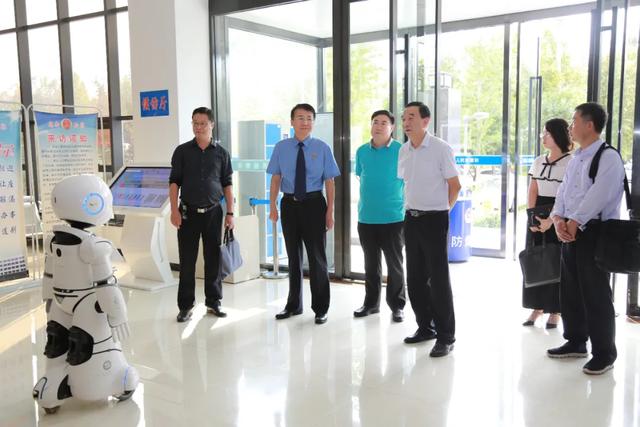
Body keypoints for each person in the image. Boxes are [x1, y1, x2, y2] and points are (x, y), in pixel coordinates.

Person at [548, 102, 625, 375]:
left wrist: (574, 221)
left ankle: (604, 353)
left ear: (589, 125)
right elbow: (563, 192)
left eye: (574, 121)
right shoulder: (577, 158)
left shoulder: (608, 157)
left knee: (596, 294)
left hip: (594, 232)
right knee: (570, 290)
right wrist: (558, 218)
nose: (570, 127)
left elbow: (599, 195)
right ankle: (576, 341)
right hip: (570, 230)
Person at [267, 103, 340, 325]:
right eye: (300, 118)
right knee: (293, 257)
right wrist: (272, 206)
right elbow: (276, 178)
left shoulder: (322, 147)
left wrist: (330, 211)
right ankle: (293, 305)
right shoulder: (281, 147)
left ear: (313, 122)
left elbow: (330, 181)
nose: (305, 122)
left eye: (309, 118)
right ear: (292, 121)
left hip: (314, 204)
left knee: (317, 258)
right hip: (289, 205)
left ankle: (321, 308)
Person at [398, 101, 461, 357]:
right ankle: (425, 327)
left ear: (425, 121)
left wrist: (443, 210)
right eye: (404, 117)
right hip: (411, 219)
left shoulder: (440, 148)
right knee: (414, 279)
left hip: (435, 219)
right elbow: (407, 184)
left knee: (438, 280)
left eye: (411, 117)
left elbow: (455, 186)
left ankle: (446, 336)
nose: (406, 121)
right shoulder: (403, 150)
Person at [169, 107, 234, 323]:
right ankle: (185, 306)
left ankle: (213, 302)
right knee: (187, 261)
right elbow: (174, 183)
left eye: (203, 123)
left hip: (214, 212)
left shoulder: (222, 153)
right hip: (187, 213)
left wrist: (230, 213)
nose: (198, 127)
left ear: (211, 124)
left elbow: (227, 185)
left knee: (213, 259)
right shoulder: (182, 151)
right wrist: (174, 210)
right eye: (195, 123)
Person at [353, 110, 406, 322]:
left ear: (392, 127)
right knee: (370, 264)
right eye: (375, 122)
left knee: (395, 265)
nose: (379, 126)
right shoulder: (361, 151)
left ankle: (397, 306)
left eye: (384, 122)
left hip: (394, 217)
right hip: (366, 218)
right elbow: (361, 176)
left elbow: (408, 179)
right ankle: (371, 304)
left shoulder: (401, 150)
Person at [522, 118, 572, 329]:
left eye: (547, 133)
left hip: (560, 214)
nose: (543, 137)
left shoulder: (571, 162)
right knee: (535, 262)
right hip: (537, 213)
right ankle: (537, 307)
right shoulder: (538, 160)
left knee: (556, 263)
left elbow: (568, 196)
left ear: (558, 135)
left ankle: (556, 310)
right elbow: (533, 189)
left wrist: (551, 220)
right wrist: (532, 217)